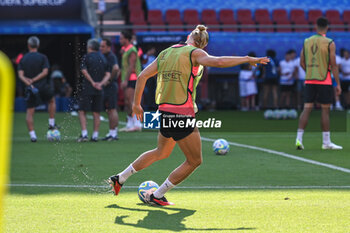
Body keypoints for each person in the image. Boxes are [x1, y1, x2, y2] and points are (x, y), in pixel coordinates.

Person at [108, 25, 269, 206]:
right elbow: (219, 62)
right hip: (182, 114)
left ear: (188, 36)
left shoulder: (166, 53)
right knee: (194, 161)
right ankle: (158, 195)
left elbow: (142, 77)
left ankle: (120, 178)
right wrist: (246, 59)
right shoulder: (195, 53)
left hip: (165, 112)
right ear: (203, 45)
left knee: (161, 152)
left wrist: (136, 105)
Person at [295, 17, 342, 150]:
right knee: (325, 111)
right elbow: (333, 65)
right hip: (324, 80)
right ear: (327, 27)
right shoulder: (329, 42)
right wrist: (337, 84)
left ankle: (299, 139)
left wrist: (310, 72)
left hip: (310, 80)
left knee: (306, 109)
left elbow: (301, 62)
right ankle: (326, 142)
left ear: (316, 26)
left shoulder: (307, 41)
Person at [18, 36, 56, 142]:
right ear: (38, 45)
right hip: (42, 86)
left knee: (30, 111)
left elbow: (20, 75)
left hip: (31, 88)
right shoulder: (43, 57)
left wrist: (29, 82)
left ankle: (33, 136)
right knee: (52, 100)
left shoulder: (23, 58)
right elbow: (45, 72)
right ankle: (51, 123)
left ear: (28, 45)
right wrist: (34, 80)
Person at [78, 39, 111, 142]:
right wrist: (100, 83)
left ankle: (84, 134)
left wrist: (92, 82)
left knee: (82, 110)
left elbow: (84, 70)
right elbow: (108, 74)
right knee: (96, 112)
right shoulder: (103, 58)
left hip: (88, 87)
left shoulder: (86, 57)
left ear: (89, 47)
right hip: (99, 89)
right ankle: (95, 135)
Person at [119, 30, 143, 131]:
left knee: (132, 101)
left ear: (126, 39)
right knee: (127, 101)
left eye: (121, 38)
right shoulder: (125, 49)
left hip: (133, 78)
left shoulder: (132, 50)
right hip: (127, 78)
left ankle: (137, 124)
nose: (120, 40)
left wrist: (125, 80)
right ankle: (130, 124)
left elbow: (131, 66)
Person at [100, 38, 120, 141]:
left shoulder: (111, 56)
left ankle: (113, 133)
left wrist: (110, 80)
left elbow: (116, 68)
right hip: (111, 85)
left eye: (103, 46)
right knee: (109, 110)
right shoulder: (107, 56)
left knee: (112, 109)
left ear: (108, 47)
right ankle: (112, 132)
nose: (101, 48)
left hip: (111, 86)